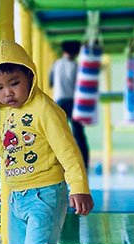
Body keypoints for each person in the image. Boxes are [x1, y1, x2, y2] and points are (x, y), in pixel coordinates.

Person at [0, 40, 93, 244]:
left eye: (14, 83)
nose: (7, 93)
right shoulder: (7, 112)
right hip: (16, 197)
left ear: (30, 75)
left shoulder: (45, 110)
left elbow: (67, 151)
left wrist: (79, 187)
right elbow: (12, 149)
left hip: (45, 192)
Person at [49, 40, 90, 169]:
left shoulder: (56, 64)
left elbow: (50, 82)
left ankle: (58, 163)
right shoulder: (77, 66)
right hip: (74, 101)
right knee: (79, 134)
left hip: (59, 101)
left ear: (63, 51)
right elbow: (82, 85)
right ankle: (84, 163)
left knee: (58, 133)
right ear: (77, 52)